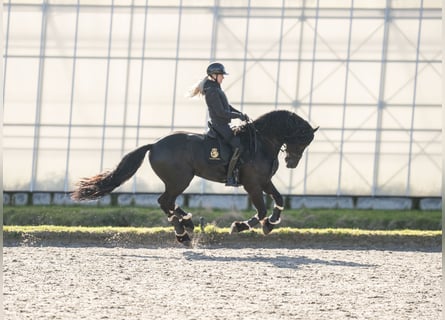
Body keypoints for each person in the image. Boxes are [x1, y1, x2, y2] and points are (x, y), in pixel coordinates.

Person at [190, 62, 248, 186]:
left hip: (223, 125)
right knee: (238, 146)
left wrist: (240, 114)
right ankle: (231, 176)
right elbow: (221, 112)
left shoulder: (216, 89)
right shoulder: (212, 91)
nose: (223, 77)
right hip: (220, 126)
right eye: (221, 75)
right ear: (213, 75)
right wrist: (238, 116)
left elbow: (227, 107)